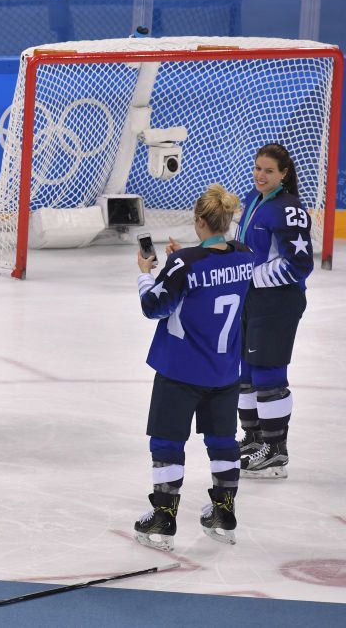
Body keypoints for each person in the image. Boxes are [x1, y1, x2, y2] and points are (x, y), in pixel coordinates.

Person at [131, 184, 254, 552]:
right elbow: (209, 271)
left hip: (181, 370)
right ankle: (223, 512)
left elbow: (154, 306)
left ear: (199, 220)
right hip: (225, 370)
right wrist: (178, 260)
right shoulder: (245, 255)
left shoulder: (185, 263)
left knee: (168, 441)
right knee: (221, 440)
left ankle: (164, 517)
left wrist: (146, 273)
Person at [235, 144, 314, 479]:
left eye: (268, 170)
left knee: (268, 376)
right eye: (257, 168)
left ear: (283, 173)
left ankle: (275, 449)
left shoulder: (289, 209)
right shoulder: (253, 200)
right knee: (246, 374)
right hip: (253, 300)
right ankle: (254, 439)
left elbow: (300, 264)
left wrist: (250, 278)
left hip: (277, 302)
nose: (260, 175)